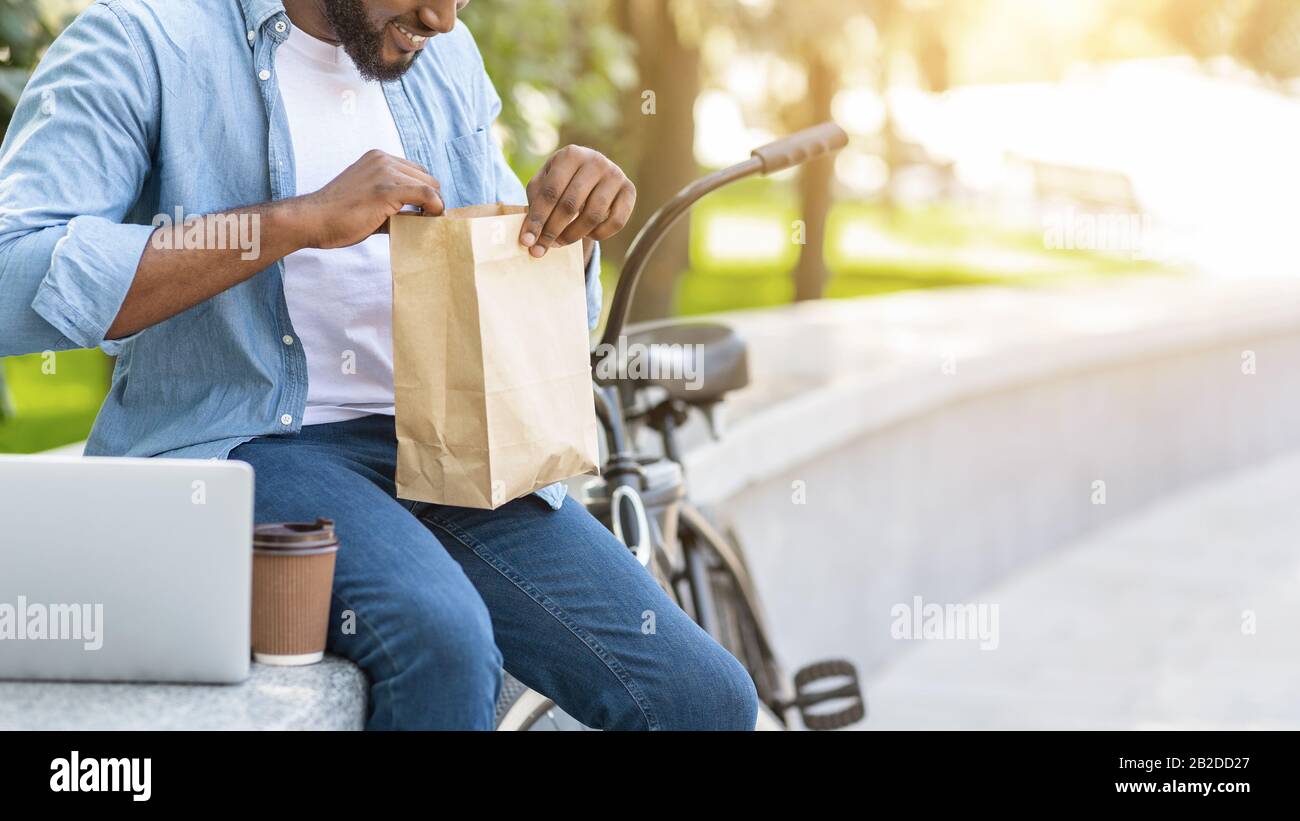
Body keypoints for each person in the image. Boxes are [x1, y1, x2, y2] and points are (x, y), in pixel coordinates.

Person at [0, 0, 759, 730]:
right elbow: (12, 275)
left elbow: (509, 282)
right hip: (249, 445)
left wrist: (571, 232)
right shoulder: (143, 40)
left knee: (701, 697)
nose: (444, 18)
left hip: (449, 447)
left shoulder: (443, 57)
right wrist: (295, 222)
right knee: (442, 640)